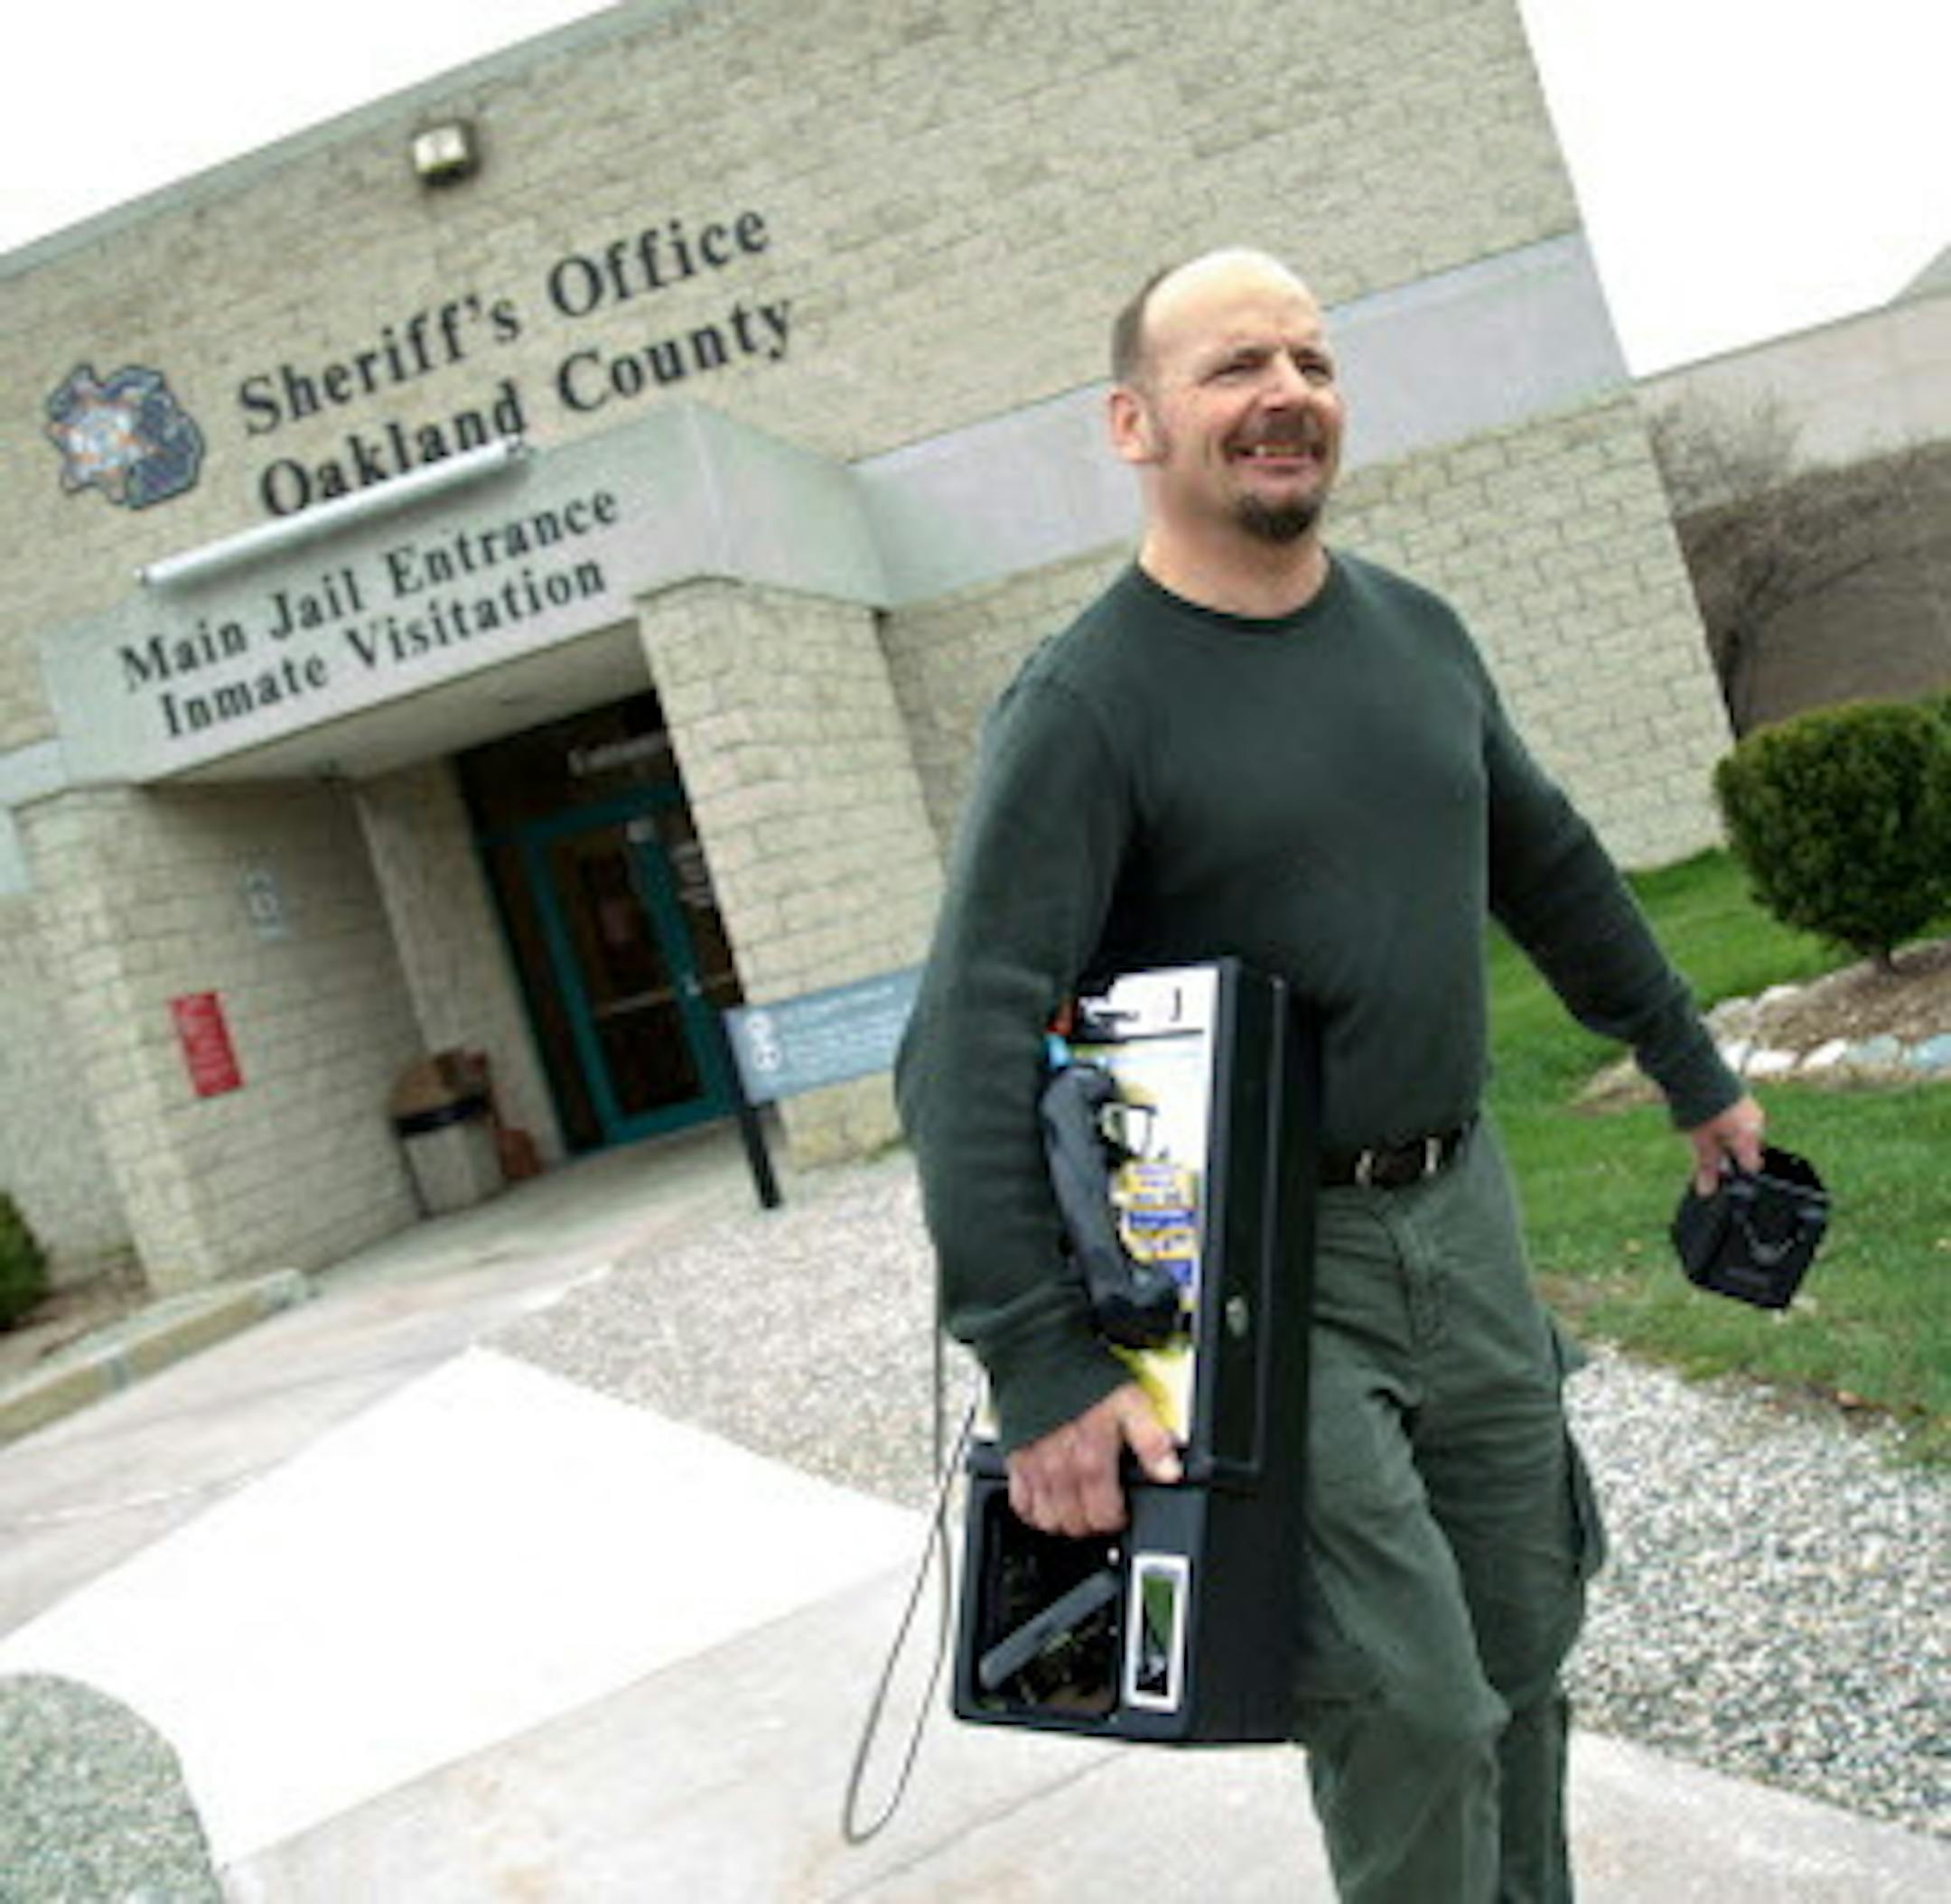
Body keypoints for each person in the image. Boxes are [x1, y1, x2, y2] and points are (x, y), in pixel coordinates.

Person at [894, 247, 1765, 1901]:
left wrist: (1689, 1065)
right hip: (1246, 1278)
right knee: (1408, 1700)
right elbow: (965, 1034)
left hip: (1466, 1217)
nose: (1285, 394)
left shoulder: (1416, 635)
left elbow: (1556, 864)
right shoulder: (1087, 703)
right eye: (1233, 368)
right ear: (1135, 423)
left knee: (1524, 1638)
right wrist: (1039, 1362)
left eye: (1310, 358)